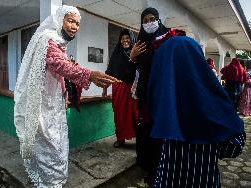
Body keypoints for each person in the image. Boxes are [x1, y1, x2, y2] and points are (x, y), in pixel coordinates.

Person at [14, 5, 117, 187]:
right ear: (59, 19)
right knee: (50, 148)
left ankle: (53, 181)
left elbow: (58, 70)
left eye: (77, 23)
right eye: (70, 21)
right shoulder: (47, 40)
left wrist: (66, 93)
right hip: (43, 109)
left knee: (57, 146)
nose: (74, 26)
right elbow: (58, 64)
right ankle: (49, 183)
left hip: (54, 106)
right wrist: (89, 74)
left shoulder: (57, 42)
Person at [148, 36, 245, 188]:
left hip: (166, 180)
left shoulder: (159, 100)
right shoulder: (214, 99)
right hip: (203, 180)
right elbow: (235, 146)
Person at [129, 7, 185, 184]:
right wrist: (132, 58)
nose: (148, 23)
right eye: (144, 21)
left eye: (151, 19)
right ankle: (150, 169)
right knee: (147, 134)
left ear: (158, 20)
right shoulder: (140, 44)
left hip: (165, 97)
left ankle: (162, 171)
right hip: (146, 100)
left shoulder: (168, 40)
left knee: (162, 135)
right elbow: (131, 75)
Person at [102, 29, 139, 148]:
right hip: (119, 87)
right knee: (120, 115)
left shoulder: (137, 53)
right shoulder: (116, 53)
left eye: (127, 38)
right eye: (122, 39)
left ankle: (140, 139)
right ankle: (121, 139)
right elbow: (109, 71)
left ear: (132, 39)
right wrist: (104, 88)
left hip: (134, 87)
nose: (125, 41)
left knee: (136, 114)